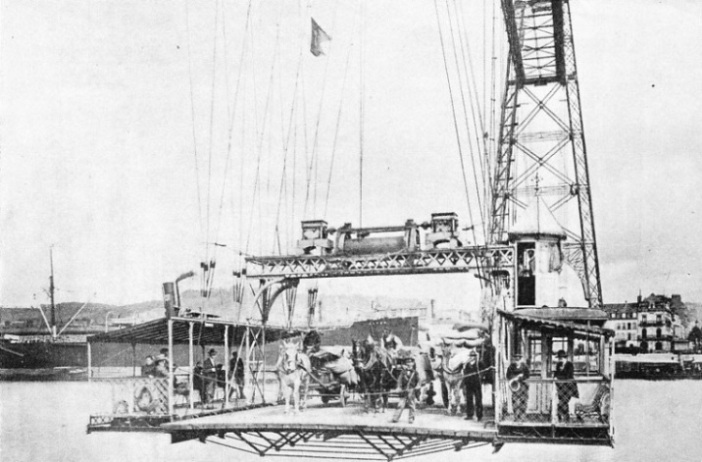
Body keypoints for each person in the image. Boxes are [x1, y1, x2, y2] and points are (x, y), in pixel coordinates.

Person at [392, 357, 419, 424]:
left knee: (412, 405)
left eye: (410, 362)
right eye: (407, 363)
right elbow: (399, 381)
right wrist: (399, 388)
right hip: (403, 391)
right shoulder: (402, 373)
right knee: (400, 404)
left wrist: (417, 387)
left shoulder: (415, 373)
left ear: (413, 364)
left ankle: (411, 418)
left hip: (411, 391)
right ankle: (396, 418)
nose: (409, 364)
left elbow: (419, 382)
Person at [554, 350, 579, 422]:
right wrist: (557, 376)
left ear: (564, 358)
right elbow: (556, 373)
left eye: (561, 358)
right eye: (559, 358)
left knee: (565, 400)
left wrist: (559, 376)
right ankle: (561, 416)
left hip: (569, 386)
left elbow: (568, 375)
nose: (560, 360)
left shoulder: (570, 365)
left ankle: (564, 415)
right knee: (561, 400)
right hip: (561, 386)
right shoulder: (558, 365)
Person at [506, 354, 530, 421]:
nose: (517, 361)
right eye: (516, 359)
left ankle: (522, 417)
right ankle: (516, 417)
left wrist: (520, 378)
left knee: (523, 401)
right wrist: (514, 378)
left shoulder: (525, 366)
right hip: (515, 386)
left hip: (523, 386)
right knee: (515, 401)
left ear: (521, 359)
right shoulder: (511, 366)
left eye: (518, 359)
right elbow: (508, 375)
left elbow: (527, 375)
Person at [463, 350, 483, 422]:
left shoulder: (479, 364)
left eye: (473, 356)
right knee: (469, 399)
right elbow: (465, 374)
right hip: (469, 385)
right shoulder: (467, 364)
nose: (472, 357)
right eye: (470, 356)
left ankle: (479, 415)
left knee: (478, 400)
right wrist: (465, 383)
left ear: (475, 357)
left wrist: (481, 377)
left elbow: (483, 372)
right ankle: (469, 415)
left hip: (476, 384)